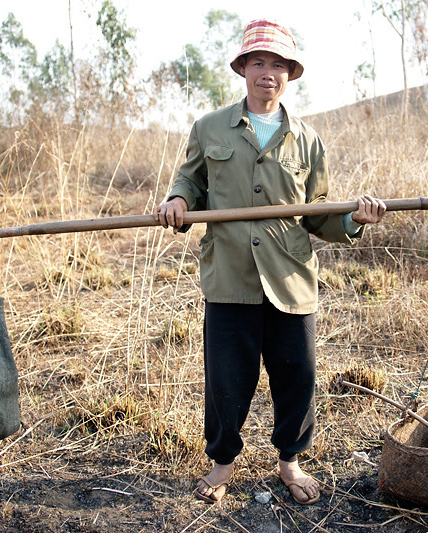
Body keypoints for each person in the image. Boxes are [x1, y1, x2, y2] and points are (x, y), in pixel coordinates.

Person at [153, 19, 386, 505]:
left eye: (278, 64)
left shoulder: (308, 140)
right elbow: (189, 182)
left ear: (289, 75)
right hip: (230, 277)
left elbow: (320, 216)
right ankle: (221, 466)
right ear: (242, 68)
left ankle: (290, 462)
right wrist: (176, 200)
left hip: (290, 277)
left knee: (296, 373)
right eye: (258, 62)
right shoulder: (209, 127)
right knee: (226, 375)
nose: (267, 72)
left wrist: (355, 219)